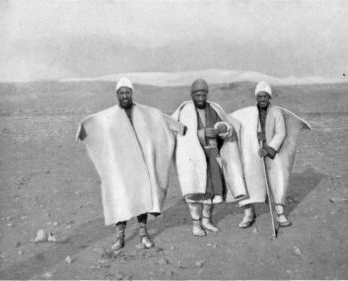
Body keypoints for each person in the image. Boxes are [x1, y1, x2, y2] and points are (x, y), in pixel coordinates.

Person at [76, 77, 186, 250]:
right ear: (117, 94)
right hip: (121, 166)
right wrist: (84, 129)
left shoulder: (144, 112)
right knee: (121, 200)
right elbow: (95, 121)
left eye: (127, 92)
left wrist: (180, 128)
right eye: (122, 93)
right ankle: (120, 237)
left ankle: (143, 233)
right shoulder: (110, 115)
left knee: (142, 197)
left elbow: (160, 117)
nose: (125, 95)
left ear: (132, 93)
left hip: (140, 165)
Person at [230, 81, 311, 228]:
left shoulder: (276, 112)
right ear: (256, 97)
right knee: (248, 176)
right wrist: (256, 139)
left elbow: (281, 133)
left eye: (265, 96)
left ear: (269, 98)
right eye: (259, 96)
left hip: (274, 152)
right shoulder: (250, 113)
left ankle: (280, 213)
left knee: (278, 179)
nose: (262, 99)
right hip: (255, 151)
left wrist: (268, 148)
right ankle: (249, 212)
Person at [172, 78, 247, 236]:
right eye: (198, 95)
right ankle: (196, 224)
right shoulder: (185, 110)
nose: (201, 98)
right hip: (192, 157)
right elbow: (177, 131)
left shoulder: (213, 108)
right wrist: (200, 134)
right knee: (194, 193)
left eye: (203, 95)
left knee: (211, 191)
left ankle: (206, 220)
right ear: (192, 95)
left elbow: (226, 126)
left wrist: (220, 129)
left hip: (212, 154)